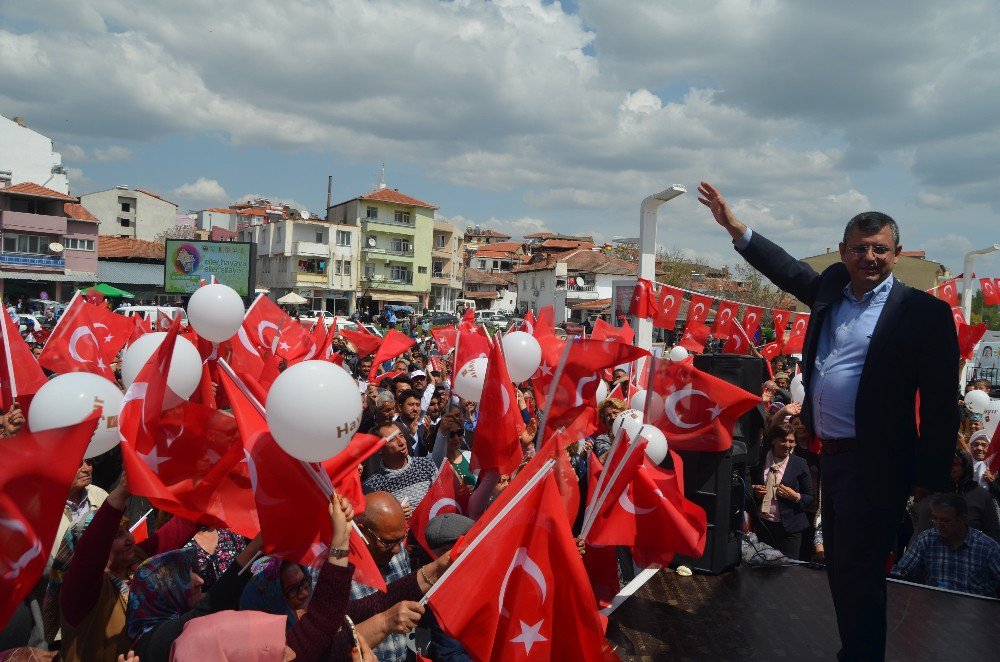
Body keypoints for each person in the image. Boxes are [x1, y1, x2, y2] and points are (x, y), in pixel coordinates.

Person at [699, 181, 959, 661]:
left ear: (896, 254)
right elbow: (786, 269)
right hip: (829, 459)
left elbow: (944, 403)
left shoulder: (925, 313)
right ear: (843, 252)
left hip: (877, 464)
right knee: (841, 568)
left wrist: (929, 478)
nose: (869, 257)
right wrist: (736, 228)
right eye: (859, 248)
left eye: (880, 249)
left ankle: (860, 656)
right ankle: (855, 650)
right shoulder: (829, 291)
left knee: (858, 571)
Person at [891, 493, 1000, 597]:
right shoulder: (927, 540)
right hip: (934, 606)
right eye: (935, 519)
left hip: (976, 610)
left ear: (962, 519)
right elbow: (902, 571)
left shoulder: (987, 548)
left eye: (945, 520)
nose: (939, 525)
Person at [750, 422, 814, 560]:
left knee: (789, 571)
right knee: (763, 568)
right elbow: (747, 482)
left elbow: (809, 498)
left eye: (791, 441)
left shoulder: (799, 464)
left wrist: (795, 496)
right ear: (773, 440)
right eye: (783, 440)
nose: (787, 445)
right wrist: (754, 489)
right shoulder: (759, 459)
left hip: (790, 529)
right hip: (763, 526)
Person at [908, 447, 1000, 543]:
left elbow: (994, 530)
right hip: (927, 552)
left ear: (965, 467)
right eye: (944, 464)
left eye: (954, 464)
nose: (948, 467)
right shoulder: (929, 490)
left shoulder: (981, 495)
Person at [362, 422, 439, 514]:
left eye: (401, 435)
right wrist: (394, 514)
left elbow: (441, 498)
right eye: (392, 439)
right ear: (379, 449)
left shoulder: (426, 465)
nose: (401, 442)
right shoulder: (372, 487)